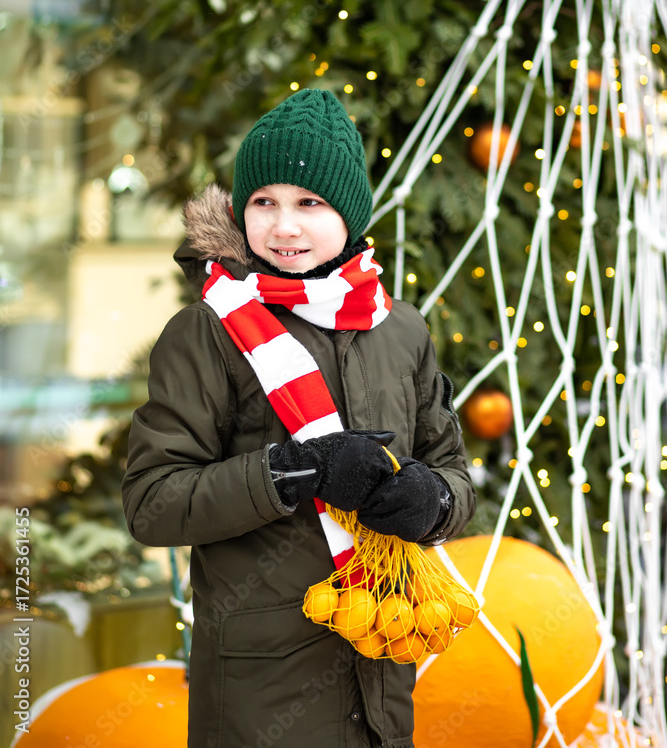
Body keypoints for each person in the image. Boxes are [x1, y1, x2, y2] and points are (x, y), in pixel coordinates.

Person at [122, 88, 476, 748]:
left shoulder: (397, 328)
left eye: (309, 203)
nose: (284, 226)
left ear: (350, 212)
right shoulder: (207, 332)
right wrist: (291, 473)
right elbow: (153, 503)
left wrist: (430, 501)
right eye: (264, 203)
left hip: (380, 676)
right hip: (264, 692)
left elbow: (452, 471)